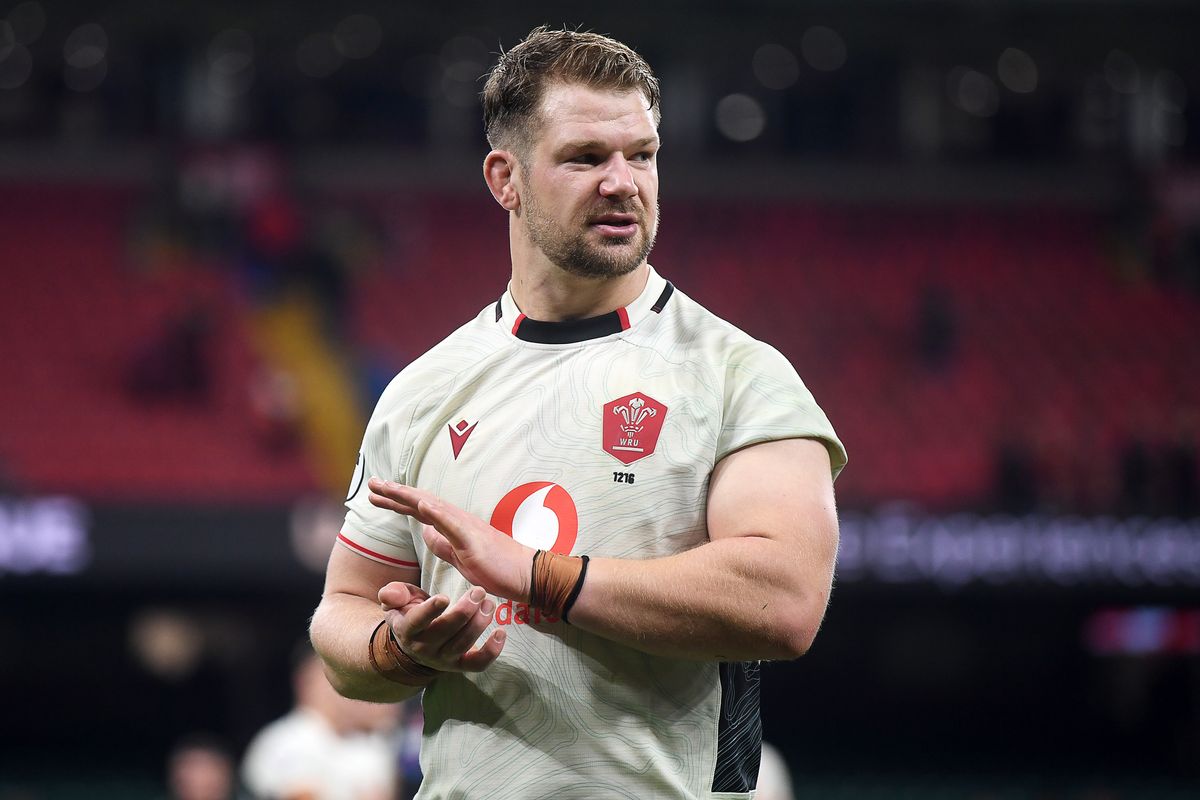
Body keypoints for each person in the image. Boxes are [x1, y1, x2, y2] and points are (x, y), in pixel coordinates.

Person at [309, 26, 846, 800]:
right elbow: (342, 616)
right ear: (507, 178)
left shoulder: (740, 374)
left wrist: (536, 576)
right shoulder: (422, 390)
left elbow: (783, 600)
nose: (623, 181)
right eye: (586, 158)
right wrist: (400, 647)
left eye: (643, 155)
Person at [240, 646, 399, 800]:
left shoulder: (370, 743)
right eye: (331, 675)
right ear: (305, 682)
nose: (344, 684)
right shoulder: (286, 740)